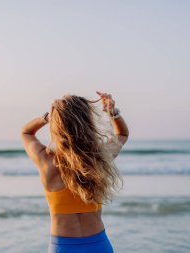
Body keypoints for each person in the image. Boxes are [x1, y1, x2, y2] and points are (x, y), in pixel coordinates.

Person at [21, 91, 129, 253]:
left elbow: (26, 132)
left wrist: (46, 118)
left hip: (63, 247)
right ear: (87, 122)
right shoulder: (97, 159)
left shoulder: (47, 161)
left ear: (57, 125)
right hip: (98, 245)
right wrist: (112, 112)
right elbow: (122, 134)